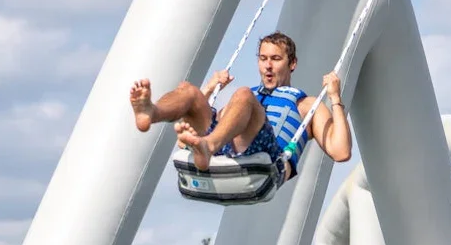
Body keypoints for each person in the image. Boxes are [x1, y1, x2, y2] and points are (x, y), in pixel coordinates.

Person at [129, 32, 352, 187]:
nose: (268, 65)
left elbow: (341, 152)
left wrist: (334, 98)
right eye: (263, 59)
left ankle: (208, 146)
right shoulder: (244, 100)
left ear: (292, 63)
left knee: (243, 95)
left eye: (275, 59)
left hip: (267, 161)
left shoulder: (307, 105)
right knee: (189, 90)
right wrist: (210, 89)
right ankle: (151, 111)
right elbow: (183, 140)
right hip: (221, 149)